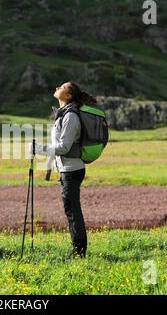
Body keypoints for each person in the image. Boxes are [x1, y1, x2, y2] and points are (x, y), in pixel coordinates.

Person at [32, 82, 98, 259]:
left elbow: (64, 147)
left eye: (61, 87)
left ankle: (78, 252)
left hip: (72, 170)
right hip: (66, 170)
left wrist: (39, 149)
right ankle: (78, 250)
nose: (56, 87)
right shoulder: (63, 115)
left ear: (68, 96)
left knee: (72, 210)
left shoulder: (71, 117)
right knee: (71, 210)